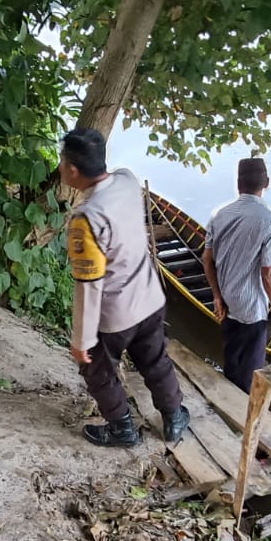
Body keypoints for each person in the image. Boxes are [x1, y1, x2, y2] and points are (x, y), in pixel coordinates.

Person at [60, 128, 190, 447]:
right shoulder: (128, 181)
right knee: (155, 359)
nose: (61, 168)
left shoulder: (86, 220)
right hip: (149, 297)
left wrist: (83, 340)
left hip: (116, 314)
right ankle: (174, 417)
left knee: (98, 370)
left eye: (63, 162)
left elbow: (88, 287)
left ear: (73, 171)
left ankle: (122, 428)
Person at [202, 157, 271, 392]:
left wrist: (217, 296)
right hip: (251, 305)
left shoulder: (220, 216)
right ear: (266, 183)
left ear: (238, 185)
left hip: (227, 297)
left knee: (233, 352)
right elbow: (269, 273)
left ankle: (229, 387)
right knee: (251, 365)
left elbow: (207, 259)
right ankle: (242, 403)